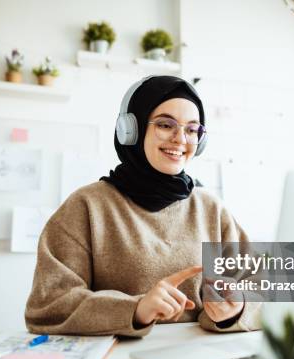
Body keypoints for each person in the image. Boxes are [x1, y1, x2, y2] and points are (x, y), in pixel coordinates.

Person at [25, 75, 261, 337]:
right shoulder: (86, 206)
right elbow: (47, 306)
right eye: (165, 124)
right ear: (131, 130)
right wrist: (135, 309)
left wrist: (239, 308)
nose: (180, 139)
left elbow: (271, 285)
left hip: (198, 357)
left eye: (192, 130)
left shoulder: (211, 209)